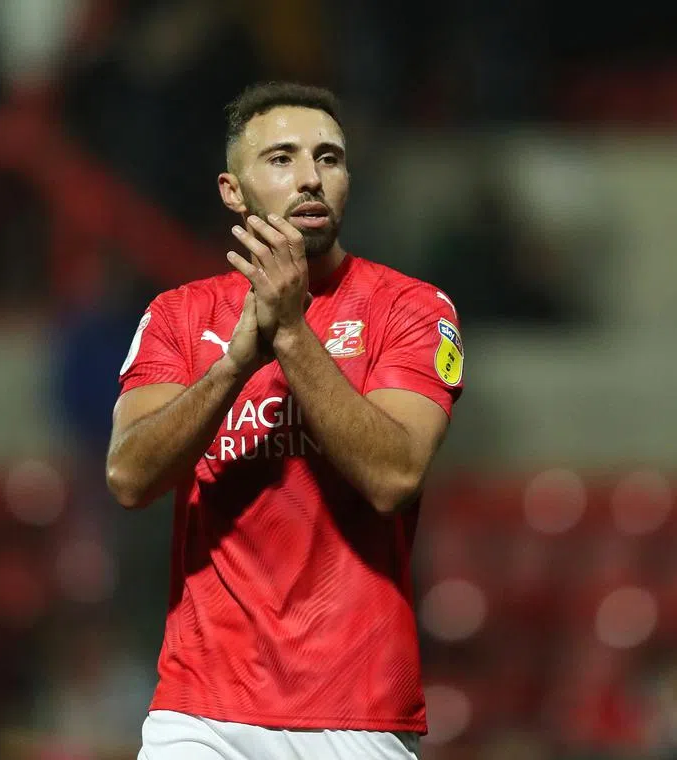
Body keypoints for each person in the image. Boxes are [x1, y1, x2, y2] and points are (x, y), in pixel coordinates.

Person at [105, 82, 465, 760]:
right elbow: (128, 475)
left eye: (329, 158)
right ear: (232, 190)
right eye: (281, 158)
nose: (310, 177)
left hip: (355, 713)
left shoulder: (412, 309)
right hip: (199, 713)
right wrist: (232, 366)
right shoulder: (178, 316)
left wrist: (292, 332)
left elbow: (394, 476)